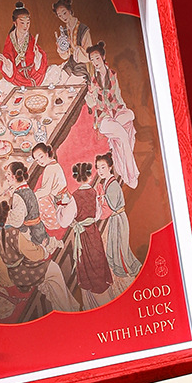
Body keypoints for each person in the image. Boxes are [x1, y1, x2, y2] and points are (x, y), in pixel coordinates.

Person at [0, 200, 75, 314]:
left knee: (51, 276)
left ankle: (66, 305)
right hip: (23, 271)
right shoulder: (14, 233)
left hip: (14, 273)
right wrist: (43, 247)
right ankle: (66, 308)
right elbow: (34, 254)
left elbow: (1, 262)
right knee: (53, 269)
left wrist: (5, 280)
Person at [84, 41, 139, 187]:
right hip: (104, 118)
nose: (95, 62)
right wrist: (90, 94)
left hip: (116, 112)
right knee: (123, 135)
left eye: (97, 58)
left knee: (131, 115)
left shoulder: (112, 75)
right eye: (92, 60)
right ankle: (131, 175)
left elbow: (118, 96)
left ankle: (124, 168)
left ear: (103, 57)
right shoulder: (93, 80)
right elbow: (91, 103)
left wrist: (122, 110)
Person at [66, 160, 114, 309]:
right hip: (93, 232)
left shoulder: (74, 197)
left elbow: (65, 220)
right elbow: (98, 214)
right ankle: (104, 298)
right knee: (97, 259)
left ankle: (96, 303)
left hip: (83, 236)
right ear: (89, 175)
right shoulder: (93, 193)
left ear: (76, 178)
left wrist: (63, 210)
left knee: (87, 263)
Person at [95, 152, 140, 294]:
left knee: (120, 248)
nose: (100, 171)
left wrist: (101, 197)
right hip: (115, 218)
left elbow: (109, 208)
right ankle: (124, 273)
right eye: (98, 168)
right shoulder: (107, 183)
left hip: (118, 218)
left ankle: (127, 278)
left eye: (103, 167)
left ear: (110, 167)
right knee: (115, 246)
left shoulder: (113, 184)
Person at [0, 2, 47, 91]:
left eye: (28, 23)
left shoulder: (30, 38)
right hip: (18, 77)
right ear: (15, 23)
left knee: (54, 70)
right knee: (2, 84)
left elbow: (40, 55)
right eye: (22, 23)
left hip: (33, 74)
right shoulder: (10, 39)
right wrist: (8, 64)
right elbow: (7, 56)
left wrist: (37, 56)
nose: (25, 26)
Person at [30, 142, 73, 234]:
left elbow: (46, 190)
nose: (40, 161)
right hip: (64, 195)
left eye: (41, 157)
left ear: (46, 154)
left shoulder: (49, 169)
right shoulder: (54, 163)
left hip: (60, 199)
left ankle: (54, 222)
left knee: (39, 201)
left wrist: (32, 196)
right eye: (37, 160)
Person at [6, 161, 49, 252]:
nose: (6, 175)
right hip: (39, 230)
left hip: (31, 235)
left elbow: (16, 221)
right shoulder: (26, 189)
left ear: (14, 177)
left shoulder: (18, 196)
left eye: (8, 174)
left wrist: (6, 214)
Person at [50, 0, 92, 81]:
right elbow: (65, 56)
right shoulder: (64, 31)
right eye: (60, 16)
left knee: (74, 82)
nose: (63, 17)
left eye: (64, 13)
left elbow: (88, 55)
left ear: (69, 10)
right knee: (61, 80)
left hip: (82, 64)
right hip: (71, 63)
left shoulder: (83, 29)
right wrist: (61, 48)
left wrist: (73, 45)